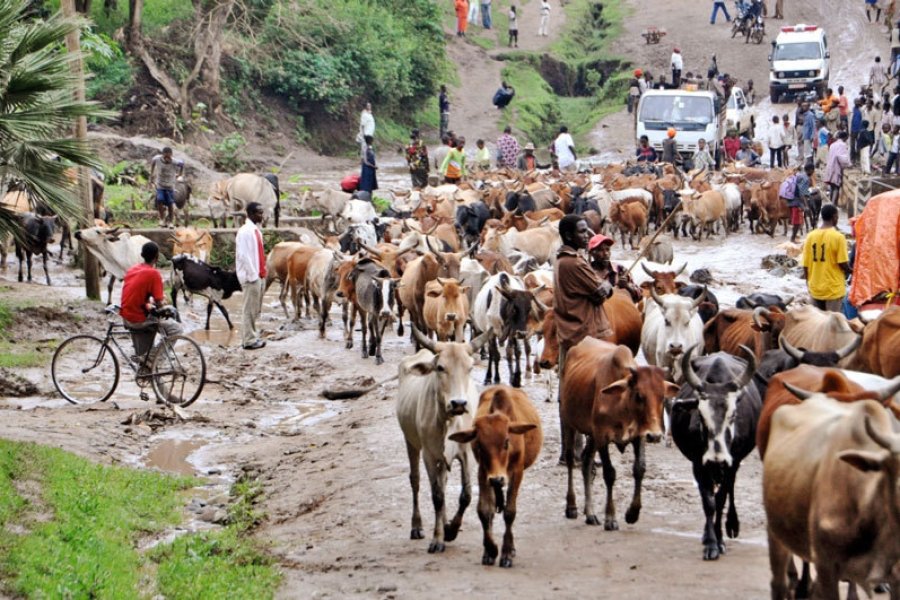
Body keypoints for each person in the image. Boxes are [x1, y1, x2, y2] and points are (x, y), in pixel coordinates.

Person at [553, 215, 614, 431]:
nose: (587, 235)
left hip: (569, 333)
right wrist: (608, 284)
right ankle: (580, 446)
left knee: (568, 389)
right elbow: (600, 292)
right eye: (581, 231)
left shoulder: (562, 259)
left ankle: (568, 451)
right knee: (586, 392)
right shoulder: (576, 263)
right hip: (584, 336)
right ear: (569, 235)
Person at [120, 241, 182, 344]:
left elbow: (136, 295)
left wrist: (149, 304)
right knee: (176, 330)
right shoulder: (153, 273)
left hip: (126, 315)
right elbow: (159, 302)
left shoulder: (132, 269)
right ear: (157, 257)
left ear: (142, 255)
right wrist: (165, 306)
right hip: (138, 318)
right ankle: (154, 358)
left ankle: (147, 354)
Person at [801, 203, 851, 312]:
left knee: (817, 325)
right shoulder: (839, 237)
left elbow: (805, 265)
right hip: (833, 290)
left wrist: (808, 283)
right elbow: (843, 264)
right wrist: (854, 271)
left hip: (815, 289)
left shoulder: (810, 236)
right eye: (837, 216)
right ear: (834, 217)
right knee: (832, 326)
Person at [235, 202, 267, 350]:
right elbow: (243, 255)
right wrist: (253, 275)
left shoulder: (256, 231)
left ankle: (252, 335)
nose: (261, 215)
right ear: (251, 214)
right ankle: (248, 340)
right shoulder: (245, 231)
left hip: (258, 274)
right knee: (249, 308)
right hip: (251, 276)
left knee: (254, 308)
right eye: (259, 213)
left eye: (262, 212)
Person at [587, 234, 642, 302]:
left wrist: (627, 286)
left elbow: (639, 296)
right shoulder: (586, 272)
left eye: (607, 249)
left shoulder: (620, 270)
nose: (606, 253)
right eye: (600, 250)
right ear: (591, 253)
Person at [148, 147, 184, 228]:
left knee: (170, 203)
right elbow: (153, 162)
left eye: (169, 157)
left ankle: (171, 221)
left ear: (171, 155)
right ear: (162, 155)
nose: (167, 159)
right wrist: (151, 173)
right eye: (165, 156)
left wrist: (180, 174)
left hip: (170, 185)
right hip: (160, 185)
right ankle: (162, 219)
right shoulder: (157, 159)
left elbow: (182, 164)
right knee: (159, 199)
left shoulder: (175, 162)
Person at [825, 130, 851, 206]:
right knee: (836, 187)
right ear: (845, 137)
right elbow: (842, 158)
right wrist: (849, 164)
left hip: (830, 166)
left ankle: (830, 203)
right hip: (836, 167)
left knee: (832, 186)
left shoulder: (833, 144)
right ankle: (833, 205)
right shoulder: (842, 145)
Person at [792, 162, 815, 242]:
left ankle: (794, 237)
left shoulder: (800, 175)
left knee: (798, 221)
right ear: (810, 170)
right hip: (797, 201)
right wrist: (806, 206)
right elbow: (802, 193)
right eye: (813, 171)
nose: (813, 173)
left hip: (793, 199)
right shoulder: (806, 179)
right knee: (797, 221)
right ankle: (792, 239)